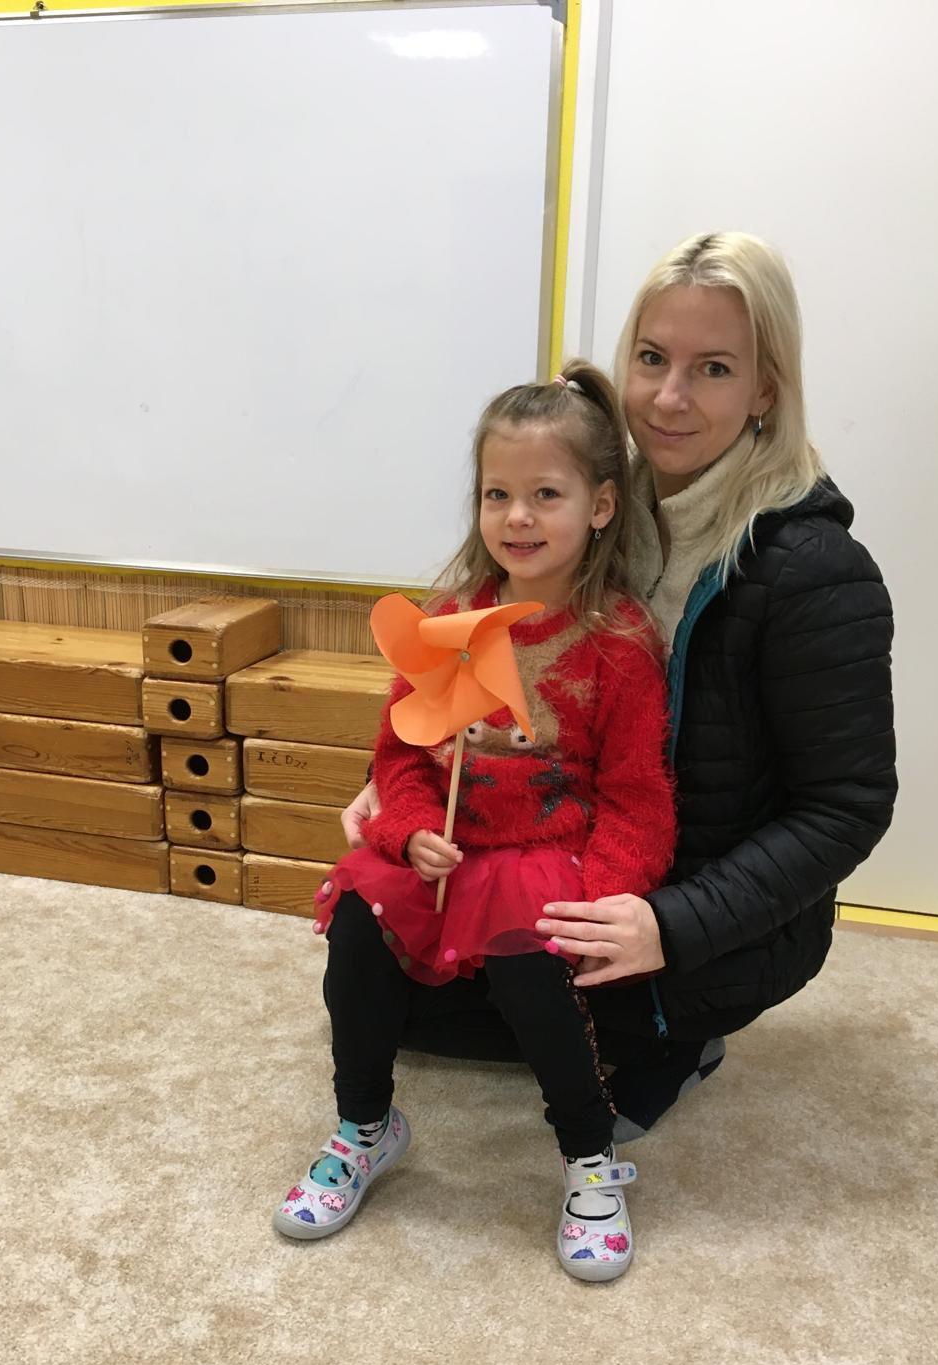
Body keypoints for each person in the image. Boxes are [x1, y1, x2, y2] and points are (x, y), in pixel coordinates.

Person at [338, 231, 897, 1146]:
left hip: (691, 905)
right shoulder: (579, 507)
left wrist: (667, 925)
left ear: (765, 390)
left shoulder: (816, 571)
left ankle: (682, 1036)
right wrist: (394, 790)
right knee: (381, 983)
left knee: (521, 1006)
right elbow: (461, 681)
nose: (670, 397)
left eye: (713, 369)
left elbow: (848, 807)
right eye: (651, 358)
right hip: (550, 849)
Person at [274, 361, 677, 1281]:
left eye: (546, 494)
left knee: (532, 958)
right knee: (360, 921)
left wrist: (604, 894)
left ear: (601, 506)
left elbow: (637, 796)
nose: (518, 518)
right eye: (498, 494)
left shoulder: (618, 644)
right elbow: (399, 757)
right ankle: (365, 1126)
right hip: (446, 849)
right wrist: (408, 829)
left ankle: (589, 1158)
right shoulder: (449, 619)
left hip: (547, 854)